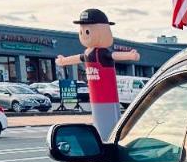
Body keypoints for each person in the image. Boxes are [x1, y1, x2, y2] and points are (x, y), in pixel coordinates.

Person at [55, 9, 139, 140]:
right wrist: (63, 61)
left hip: (108, 97)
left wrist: (130, 55)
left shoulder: (102, 53)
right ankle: (104, 141)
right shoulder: (88, 53)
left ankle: (109, 141)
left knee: (110, 124)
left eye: (87, 31)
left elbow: (114, 55)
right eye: (82, 32)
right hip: (96, 97)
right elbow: (77, 58)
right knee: (100, 124)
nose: (84, 35)